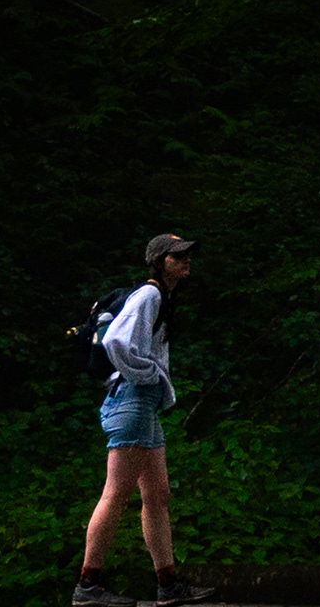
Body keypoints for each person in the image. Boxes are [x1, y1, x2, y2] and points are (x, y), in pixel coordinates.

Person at [75, 233, 214, 607]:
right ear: (158, 262)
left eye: (187, 255)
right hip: (134, 400)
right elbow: (117, 342)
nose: (186, 260)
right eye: (177, 256)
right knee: (116, 492)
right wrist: (148, 375)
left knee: (157, 494)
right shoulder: (150, 295)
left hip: (143, 402)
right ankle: (88, 585)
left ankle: (168, 585)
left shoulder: (162, 298)